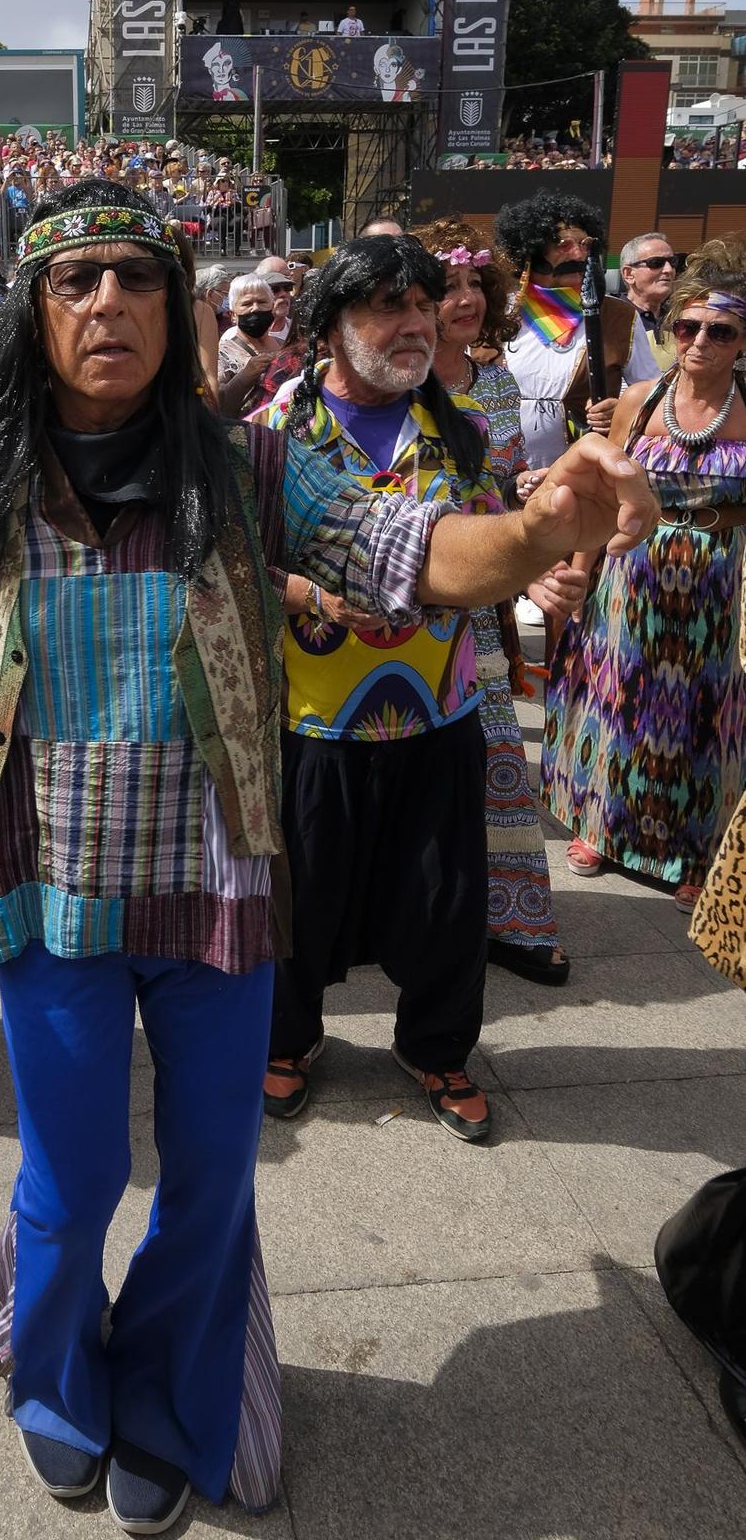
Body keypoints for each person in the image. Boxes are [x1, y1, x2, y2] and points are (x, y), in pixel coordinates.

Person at [0, 180, 655, 1531]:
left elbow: (427, 552)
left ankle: (167, 1397)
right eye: (74, 282)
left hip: (219, 890)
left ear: (178, 303)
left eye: (137, 279)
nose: (108, 304)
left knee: (211, 1179)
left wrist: (539, 530)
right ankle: (54, 1386)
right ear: (34, 319)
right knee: (73, 1176)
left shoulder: (253, 469)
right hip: (47, 895)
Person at [256, 238, 579, 1142]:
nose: (413, 326)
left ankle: (436, 1048)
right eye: (384, 309)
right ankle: (289, 1040)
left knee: (444, 900)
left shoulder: (461, 429)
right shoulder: (276, 430)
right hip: (312, 713)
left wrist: (538, 572)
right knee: (300, 893)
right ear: (326, 327)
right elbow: (231, 558)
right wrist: (307, 592)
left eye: (421, 307)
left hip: (439, 705)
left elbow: (489, 548)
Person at [544, 240, 746, 913]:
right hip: (632, 576)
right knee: (618, 701)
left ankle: (691, 854)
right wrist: (578, 575)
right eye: (688, 326)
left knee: (704, 715)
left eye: (720, 331)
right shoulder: (635, 400)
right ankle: (599, 831)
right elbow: (602, 498)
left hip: (719, 586)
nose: (700, 342)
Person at [417, 219, 571, 983]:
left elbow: (506, 487)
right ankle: (403, 917)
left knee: (501, 765)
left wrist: (529, 497)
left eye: (478, 282)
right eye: (449, 284)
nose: (467, 297)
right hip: (398, 611)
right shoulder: (390, 385)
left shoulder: (500, 384)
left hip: (478, 611)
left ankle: (511, 919)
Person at [495, 192, 659, 470]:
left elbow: (654, 394)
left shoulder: (618, 316)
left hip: (582, 480)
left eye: (585, 244)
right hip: (503, 478)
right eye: (564, 244)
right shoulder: (497, 313)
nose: (579, 253)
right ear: (531, 250)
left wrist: (623, 410)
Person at [620, 231, 679, 372]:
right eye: (656, 263)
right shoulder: (611, 318)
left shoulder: (682, 318)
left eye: (672, 262)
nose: (668, 270)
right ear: (629, 274)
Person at [218, 274, 283, 383]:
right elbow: (215, 397)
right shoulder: (221, 356)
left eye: (262, 302)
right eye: (247, 304)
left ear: (272, 307)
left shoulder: (286, 346)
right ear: (233, 314)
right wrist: (244, 377)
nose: (256, 308)